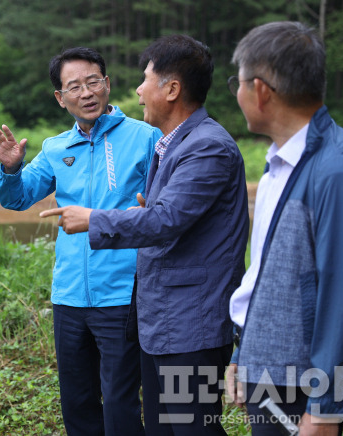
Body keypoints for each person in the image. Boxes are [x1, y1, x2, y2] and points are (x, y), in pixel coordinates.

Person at [40, 35, 250, 435]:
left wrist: (95, 219)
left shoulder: (206, 147)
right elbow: (161, 217)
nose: (136, 90)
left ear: (171, 89)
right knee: (162, 428)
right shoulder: (171, 147)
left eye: (146, 79)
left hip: (194, 324)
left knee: (193, 428)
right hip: (163, 322)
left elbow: (166, 220)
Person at [0, 47, 161, 436]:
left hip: (122, 293)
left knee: (119, 400)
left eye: (94, 81)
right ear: (60, 99)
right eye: (74, 87)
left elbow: (164, 212)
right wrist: (11, 168)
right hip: (69, 295)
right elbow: (17, 197)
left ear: (108, 84)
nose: (87, 93)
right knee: (77, 400)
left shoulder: (146, 138)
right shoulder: (55, 148)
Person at [224, 21, 343, 435]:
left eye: (239, 82)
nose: (237, 93)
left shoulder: (337, 171)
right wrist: (243, 352)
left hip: (300, 382)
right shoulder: (278, 163)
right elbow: (268, 271)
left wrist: (324, 409)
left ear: (261, 90)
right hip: (268, 362)